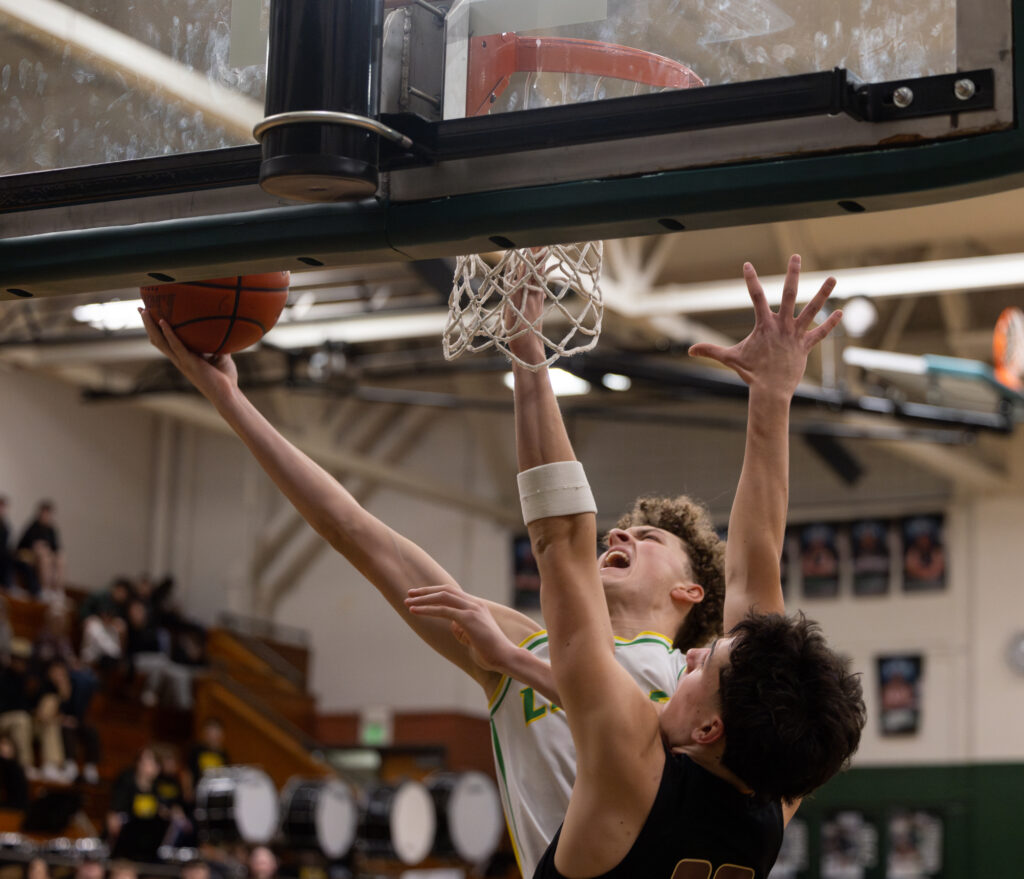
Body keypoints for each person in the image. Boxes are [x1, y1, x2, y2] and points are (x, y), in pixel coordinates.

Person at [140, 258, 818, 877]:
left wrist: (529, 355)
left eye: (646, 537)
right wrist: (230, 401)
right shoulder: (748, 747)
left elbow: (566, 546)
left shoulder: (700, 685)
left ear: (689, 590)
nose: (620, 532)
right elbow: (355, 532)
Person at [410, 256, 866, 877]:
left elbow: (563, 545)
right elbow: (756, 560)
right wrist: (771, 395)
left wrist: (528, 349)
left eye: (706, 665)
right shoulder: (774, 787)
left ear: (709, 729)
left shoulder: (641, 776)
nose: (698, 653)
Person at [16, 501, 64, 599]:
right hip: (29, 554)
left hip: (47, 555)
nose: (46, 516)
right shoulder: (33, 526)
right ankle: (44, 588)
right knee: (44, 557)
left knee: (61, 558)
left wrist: (54, 553)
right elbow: (27, 545)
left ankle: (58, 589)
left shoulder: (51, 529)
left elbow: (56, 547)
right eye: (44, 513)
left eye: (48, 513)